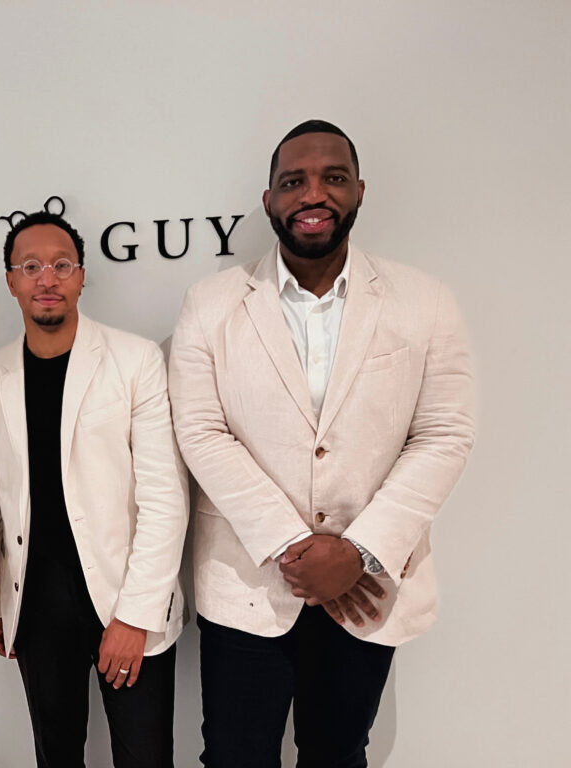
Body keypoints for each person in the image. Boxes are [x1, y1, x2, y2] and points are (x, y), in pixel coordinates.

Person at [169, 120, 475, 768]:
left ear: (358, 191)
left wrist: (358, 552)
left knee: (338, 753)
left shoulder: (425, 302)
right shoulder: (211, 303)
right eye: (294, 181)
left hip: (367, 585)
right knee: (233, 756)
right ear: (269, 200)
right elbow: (201, 429)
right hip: (247, 580)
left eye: (332, 178)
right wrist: (293, 544)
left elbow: (443, 433)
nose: (314, 194)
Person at [0, 210, 188, 767]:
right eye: (31, 266)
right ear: (11, 280)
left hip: (124, 598)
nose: (48, 278)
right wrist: (2, 604)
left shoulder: (134, 360)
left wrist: (135, 617)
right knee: (56, 755)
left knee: (144, 757)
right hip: (36, 607)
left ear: (82, 276)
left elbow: (165, 498)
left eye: (61, 264)